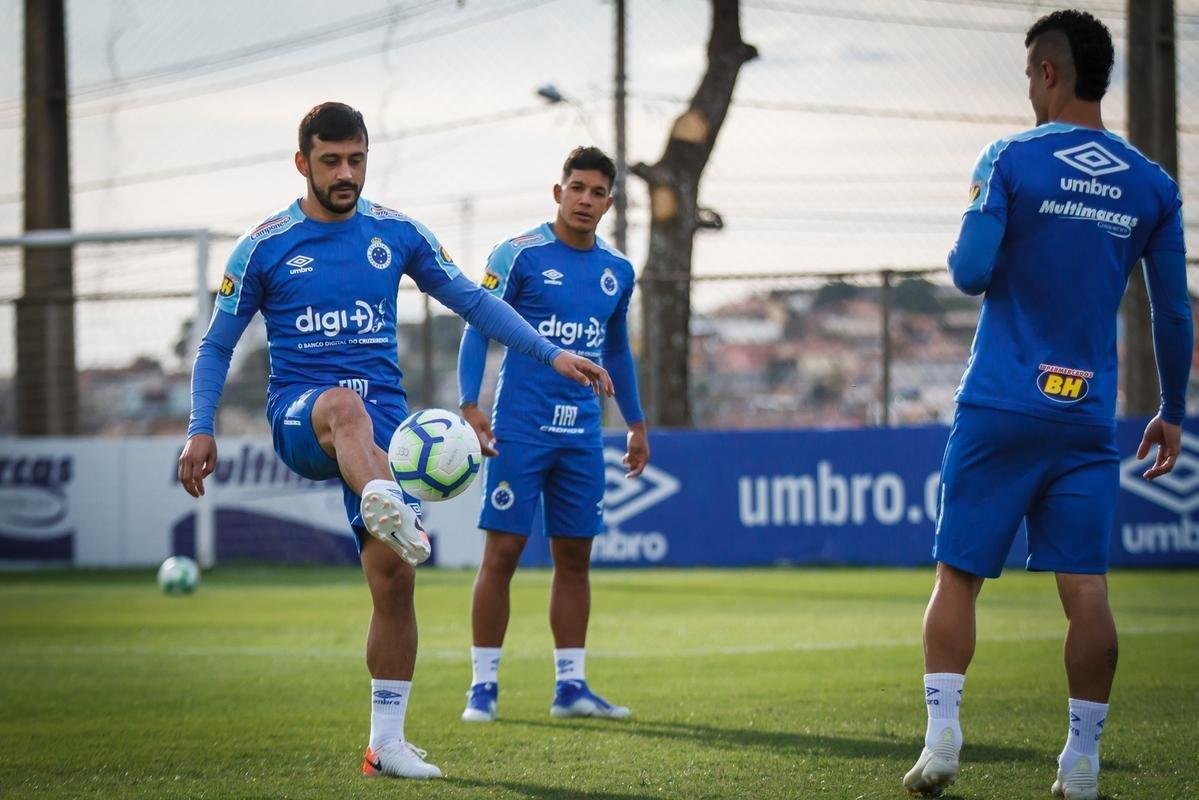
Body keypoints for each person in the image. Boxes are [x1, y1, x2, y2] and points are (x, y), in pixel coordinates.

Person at [176, 103, 613, 780]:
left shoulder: (397, 233)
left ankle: (386, 743)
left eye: (356, 159)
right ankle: (385, 497)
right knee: (343, 405)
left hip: (381, 434)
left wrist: (549, 351)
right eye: (330, 161)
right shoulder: (263, 246)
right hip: (305, 417)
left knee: (395, 579)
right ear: (303, 163)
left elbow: (472, 299)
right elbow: (216, 346)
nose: (345, 173)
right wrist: (200, 425)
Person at [903, 11, 1192, 800]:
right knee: (1087, 588)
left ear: (1048, 73)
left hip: (999, 402)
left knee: (957, 573)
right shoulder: (1151, 184)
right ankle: (1081, 765)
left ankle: (940, 745)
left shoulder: (1008, 158)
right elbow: (1172, 312)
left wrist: (983, 226)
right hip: (1085, 415)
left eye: (1029, 73)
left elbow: (967, 271)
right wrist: (1170, 408)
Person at [456, 146, 649, 723]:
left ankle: (571, 687)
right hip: (520, 429)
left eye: (597, 192)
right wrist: (471, 401)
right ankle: (482, 688)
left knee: (575, 557)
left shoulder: (618, 271)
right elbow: (478, 328)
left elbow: (616, 350)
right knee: (504, 553)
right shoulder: (517, 255)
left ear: (609, 202)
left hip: (583, 435)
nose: (586, 200)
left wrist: (635, 423)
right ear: (557, 191)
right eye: (577, 188)